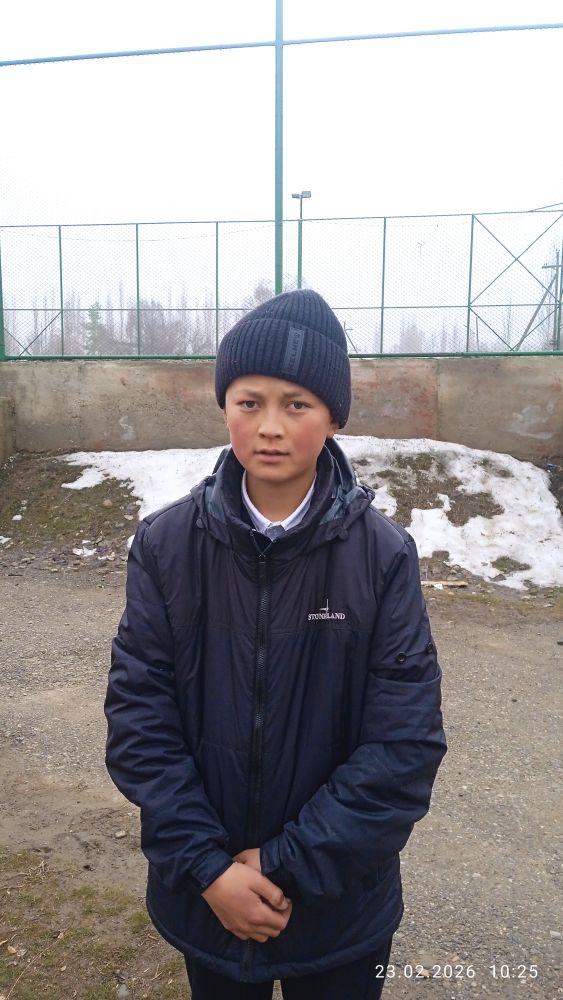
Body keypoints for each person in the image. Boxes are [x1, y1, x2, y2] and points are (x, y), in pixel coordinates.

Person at [105, 289, 447, 1000]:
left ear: (333, 417)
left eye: (297, 404)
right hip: (209, 901)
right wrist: (210, 870)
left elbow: (403, 745)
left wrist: (282, 865)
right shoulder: (166, 547)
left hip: (337, 906)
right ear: (224, 406)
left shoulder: (383, 557)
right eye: (248, 401)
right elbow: (140, 722)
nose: (269, 427)